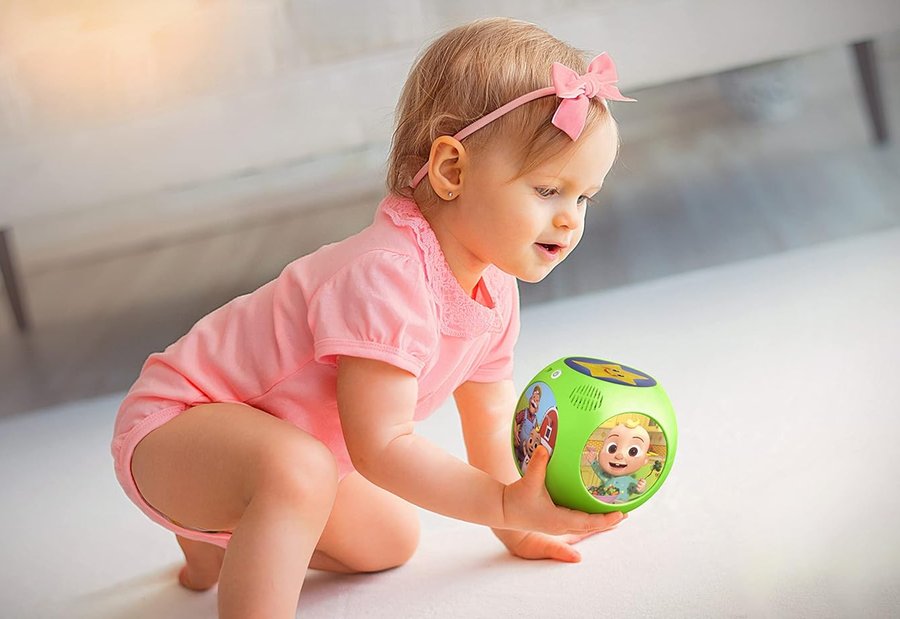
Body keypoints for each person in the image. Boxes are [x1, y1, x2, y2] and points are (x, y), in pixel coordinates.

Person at [111, 16, 636, 619]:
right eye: (547, 191)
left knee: (390, 540)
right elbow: (381, 448)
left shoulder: (494, 286)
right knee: (299, 471)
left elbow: (492, 420)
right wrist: (498, 503)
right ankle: (230, 545)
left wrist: (517, 522)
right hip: (174, 430)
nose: (571, 218)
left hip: (271, 453)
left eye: (584, 196)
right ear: (452, 171)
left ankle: (215, 544)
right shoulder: (386, 277)